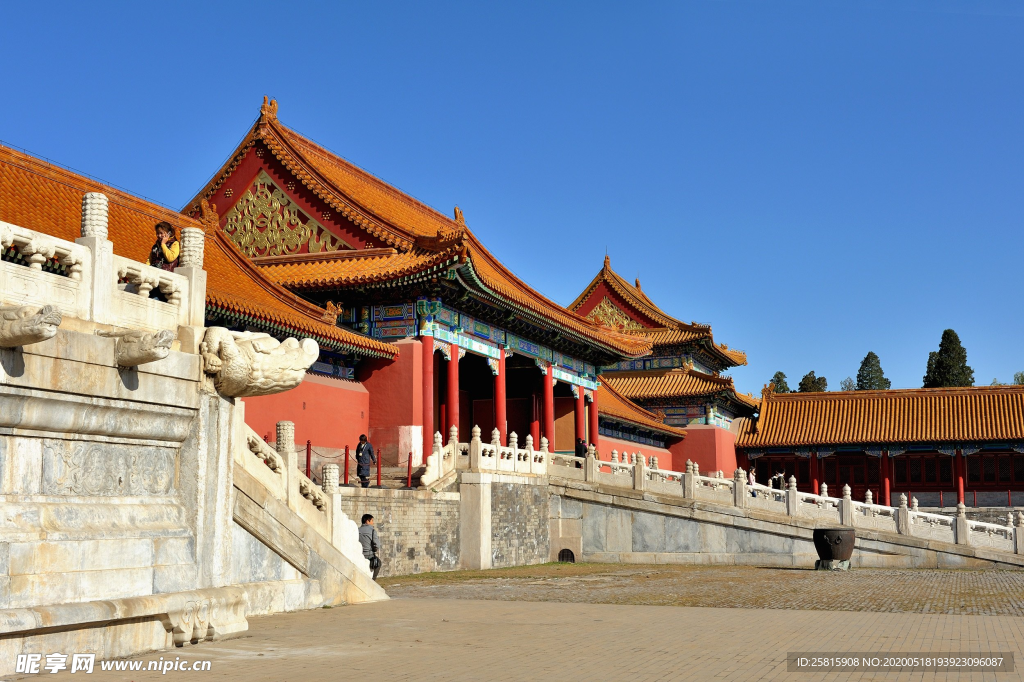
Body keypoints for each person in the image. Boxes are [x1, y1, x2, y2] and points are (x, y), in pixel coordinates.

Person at [358, 514, 381, 580]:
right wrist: (374, 550)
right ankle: (373, 580)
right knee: (379, 563)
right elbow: (377, 545)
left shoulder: (357, 530)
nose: (372, 523)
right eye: (372, 521)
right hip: (369, 555)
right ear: (367, 521)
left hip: (359, 554)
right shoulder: (372, 531)